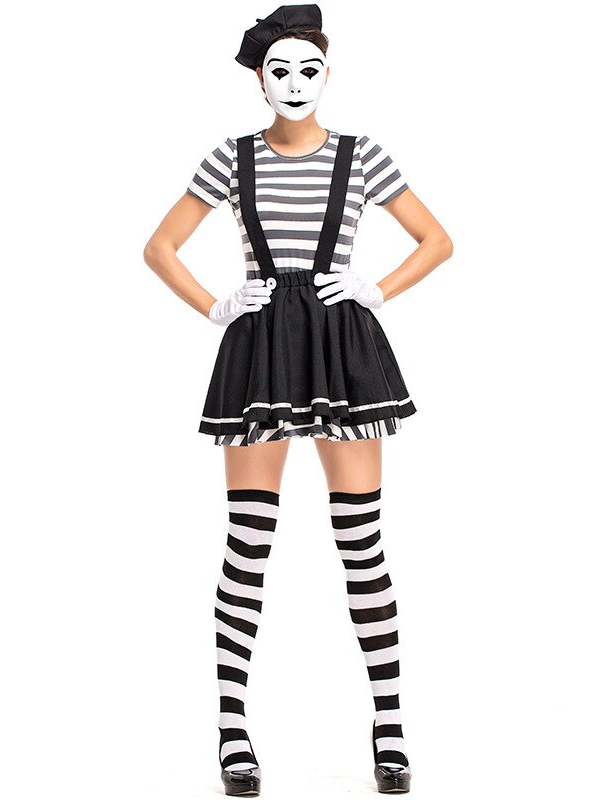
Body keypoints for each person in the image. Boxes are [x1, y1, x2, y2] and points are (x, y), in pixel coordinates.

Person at [143, 4, 453, 794]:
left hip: (341, 349)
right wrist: (216, 306)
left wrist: (376, 289)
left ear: (327, 75)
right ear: (259, 79)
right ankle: (232, 730)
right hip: (260, 351)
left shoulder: (361, 154)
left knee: (362, 541)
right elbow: (159, 247)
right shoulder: (232, 157)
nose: (293, 81)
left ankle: (389, 726)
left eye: (308, 69)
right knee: (248, 541)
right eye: (278, 69)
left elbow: (438, 240)